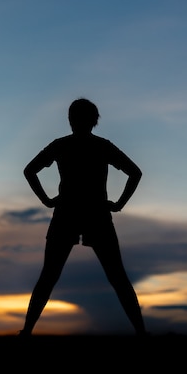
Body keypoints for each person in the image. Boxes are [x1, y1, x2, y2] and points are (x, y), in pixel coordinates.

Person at [20, 98, 147, 336]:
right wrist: (118, 204)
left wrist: (47, 200)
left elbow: (30, 171)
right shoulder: (102, 146)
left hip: (69, 213)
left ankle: (26, 332)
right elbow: (135, 173)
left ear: (71, 120)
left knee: (49, 277)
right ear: (94, 121)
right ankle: (142, 333)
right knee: (117, 278)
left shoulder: (62, 145)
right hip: (95, 214)